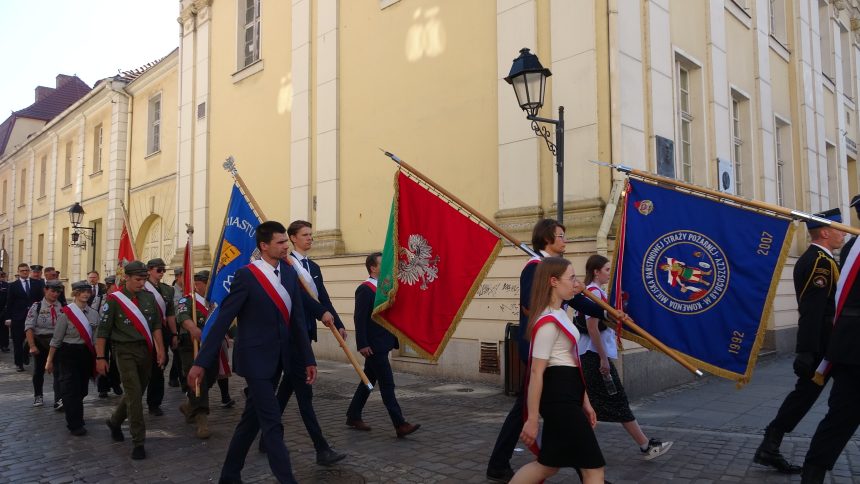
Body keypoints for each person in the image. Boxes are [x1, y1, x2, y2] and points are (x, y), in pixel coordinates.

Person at [186, 221, 316, 484]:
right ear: (264, 246)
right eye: (280, 243)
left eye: (285, 242)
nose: (285, 247)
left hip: (280, 360)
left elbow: (298, 320)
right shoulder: (247, 275)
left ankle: (229, 475)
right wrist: (202, 361)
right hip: (255, 361)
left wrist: (308, 358)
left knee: (250, 422)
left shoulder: (290, 275)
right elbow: (224, 318)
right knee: (272, 422)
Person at [487, 219, 609, 482]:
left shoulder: (558, 281)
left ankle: (500, 463)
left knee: (550, 459)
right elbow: (530, 306)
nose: (565, 240)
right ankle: (587, 471)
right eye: (561, 236)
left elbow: (576, 300)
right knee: (531, 409)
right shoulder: (535, 268)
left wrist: (608, 314)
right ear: (547, 239)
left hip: (562, 369)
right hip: (543, 352)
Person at [754, 208, 845, 474]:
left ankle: (770, 446)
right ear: (825, 232)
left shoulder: (821, 259)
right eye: (839, 229)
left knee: (803, 397)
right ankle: (770, 446)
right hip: (822, 345)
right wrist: (805, 350)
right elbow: (813, 309)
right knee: (807, 396)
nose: (843, 234)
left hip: (824, 343)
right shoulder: (820, 263)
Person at [510, 257, 605, 484]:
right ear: (553, 281)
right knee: (593, 468)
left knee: (548, 465)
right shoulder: (548, 321)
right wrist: (532, 419)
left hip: (568, 394)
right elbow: (536, 373)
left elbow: (571, 362)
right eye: (571, 278)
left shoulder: (560, 313)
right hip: (559, 399)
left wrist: (586, 402)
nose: (576, 283)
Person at [263, 220, 347, 465]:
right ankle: (321, 449)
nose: (310, 238)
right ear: (293, 238)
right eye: (305, 235)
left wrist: (338, 322)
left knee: (285, 391)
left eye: (311, 234)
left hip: (305, 333)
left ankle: (266, 439)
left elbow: (322, 296)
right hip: (292, 337)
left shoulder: (313, 266)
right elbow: (300, 297)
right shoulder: (288, 265)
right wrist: (322, 312)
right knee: (304, 395)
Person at [578, 254, 672, 459]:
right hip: (593, 355)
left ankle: (643, 445)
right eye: (606, 270)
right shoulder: (593, 292)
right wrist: (603, 358)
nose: (609, 273)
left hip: (593, 355)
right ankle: (645, 446)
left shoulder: (598, 292)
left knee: (599, 404)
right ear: (596, 271)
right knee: (616, 400)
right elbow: (592, 328)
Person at [96, 260, 167, 460]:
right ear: (126, 278)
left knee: (136, 392)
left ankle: (115, 421)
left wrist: (161, 350)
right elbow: (103, 331)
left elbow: (155, 326)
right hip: (124, 350)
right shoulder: (114, 300)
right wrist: (100, 357)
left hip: (145, 350)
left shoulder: (148, 298)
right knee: (134, 396)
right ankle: (138, 441)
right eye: (138, 279)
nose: (142, 283)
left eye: (144, 279)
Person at [346, 252, 420, 437]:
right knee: (387, 384)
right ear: (372, 267)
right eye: (382, 264)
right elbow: (359, 318)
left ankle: (353, 414)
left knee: (368, 381)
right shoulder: (365, 289)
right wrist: (362, 344)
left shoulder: (384, 287)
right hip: (373, 346)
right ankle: (400, 424)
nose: (386, 267)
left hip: (383, 342)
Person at [45, 281, 99, 436]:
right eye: (82, 291)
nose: (86, 294)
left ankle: (76, 415)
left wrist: (99, 357)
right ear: (75, 293)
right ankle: (74, 423)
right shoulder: (66, 313)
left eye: (88, 291)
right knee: (71, 390)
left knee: (82, 390)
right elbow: (56, 339)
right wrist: (49, 360)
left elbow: (96, 339)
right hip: (68, 354)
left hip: (86, 354)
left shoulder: (94, 314)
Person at [177, 270, 224, 438]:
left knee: (210, 377)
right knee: (199, 381)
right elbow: (182, 316)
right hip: (191, 346)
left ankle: (190, 406)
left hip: (209, 347)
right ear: (198, 284)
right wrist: (193, 328)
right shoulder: (187, 300)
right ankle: (202, 419)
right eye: (207, 284)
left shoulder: (213, 301)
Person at [142, 258, 179, 416]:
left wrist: (174, 333)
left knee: (160, 365)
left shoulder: (167, 290)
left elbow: (170, 314)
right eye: (159, 270)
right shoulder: (140, 288)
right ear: (149, 270)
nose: (162, 273)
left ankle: (154, 403)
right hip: (144, 331)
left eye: (164, 270)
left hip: (162, 331)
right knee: (144, 367)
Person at [24, 279, 64, 408]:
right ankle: (38, 395)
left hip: (57, 342)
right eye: (52, 291)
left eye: (58, 292)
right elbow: (29, 327)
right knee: (39, 370)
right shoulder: (37, 307)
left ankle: (59, 399)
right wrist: (32, 346)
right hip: (41, 342)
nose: (55, 294)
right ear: (45, 290)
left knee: (59, 371)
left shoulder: (62, 307)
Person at [5, 263, 44, 371]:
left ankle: (27, 355)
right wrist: (8, 318)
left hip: (34, 317)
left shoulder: (37, 284)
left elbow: (41, 300)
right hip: (18, 317)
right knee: (18, 341)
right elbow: (10, 302)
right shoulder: (13, 285)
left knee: (33, 339)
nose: (25, 272)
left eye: (26, 270)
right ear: (18, 272)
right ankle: (19, 363)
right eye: (22, 271)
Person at [96, 275, 123, 399]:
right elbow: (94, 315)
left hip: (116, 333)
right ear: (108, 286)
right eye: (115, 285)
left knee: (116, 360)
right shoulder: (100, 299)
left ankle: (115, 382)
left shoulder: (121, 298)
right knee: (103, 358)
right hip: (102, 333)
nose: (117, 287)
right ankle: (103, 387)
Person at [169, 267, 185, 390]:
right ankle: (182, 380)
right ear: (177, 277)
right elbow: (175, 309)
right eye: (184, 275)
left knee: (179, 354)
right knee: (179, 353)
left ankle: (173, 377)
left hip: (185, 324)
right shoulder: (172, 291)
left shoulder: (189, 290)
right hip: (176, 325)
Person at [0, 270, 9, 352]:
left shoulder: (6, 285)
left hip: (3, 310)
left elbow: (8, 298)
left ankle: (4, 345)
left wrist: (5, 309)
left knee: (4, 329)